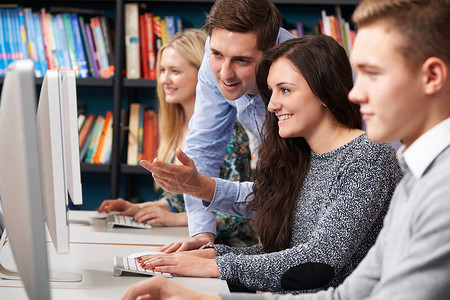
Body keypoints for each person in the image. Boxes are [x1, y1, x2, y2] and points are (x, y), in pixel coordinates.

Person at [121, 0, 450, 299]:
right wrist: (209, 254)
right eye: (270, 91)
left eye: (372, 74)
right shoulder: (412, 178)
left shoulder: (397, 168)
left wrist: (215, 279)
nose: (356, 93)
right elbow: (352, 289)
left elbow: (320, 263)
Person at [137, 0, 295, 253]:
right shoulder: (218, 60)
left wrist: (202, 186)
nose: (225, 73)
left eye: (242, 61)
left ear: (273, 52)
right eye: (216, 54)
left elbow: (295, 191)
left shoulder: (303, 73)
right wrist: (201, 231)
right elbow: (202, 151)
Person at [98, 29, 258, 247]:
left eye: (175, 71)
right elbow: (180, 199)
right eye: (162, 70)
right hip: (190, 238)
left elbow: (238, 213)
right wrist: (139, 208)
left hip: (228, 248)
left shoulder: (229, 133)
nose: (165, 79)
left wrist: (174, 219)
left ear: (203, 73)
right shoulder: (176, 126)